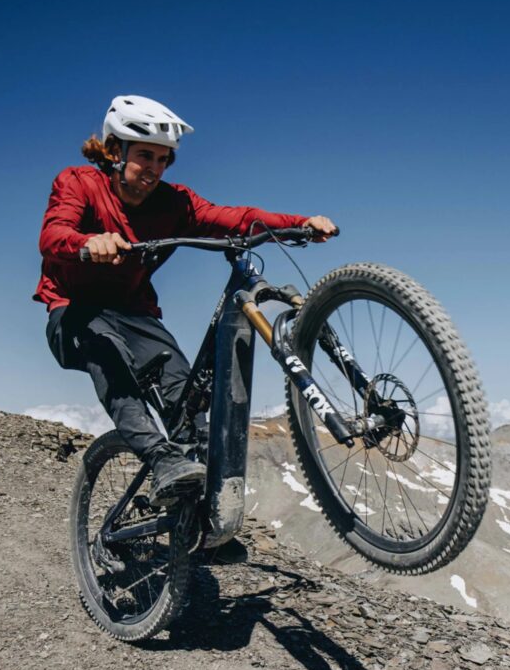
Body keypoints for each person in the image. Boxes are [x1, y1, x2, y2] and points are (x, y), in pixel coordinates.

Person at [34, 94, 338, 508]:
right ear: (114, 151)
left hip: (135, 314)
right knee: (110, 358)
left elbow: (233, 218)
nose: (155, 168)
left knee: (187, 397)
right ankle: (161, 460)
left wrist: (298, 224)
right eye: (145, 156)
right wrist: (89, 242)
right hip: (75, 311)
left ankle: (197, 514)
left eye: (164, 159)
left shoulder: (173, 203)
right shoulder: (79, 183)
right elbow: (53, 235)